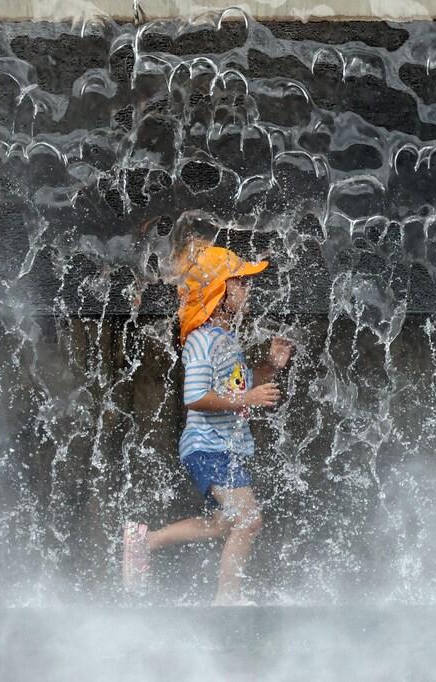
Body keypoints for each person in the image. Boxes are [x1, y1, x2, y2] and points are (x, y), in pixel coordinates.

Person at [121, 240, 294, 605]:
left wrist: (271, 368)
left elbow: (240, 385)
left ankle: (145, 541)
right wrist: (247, 399)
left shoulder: (226, 339)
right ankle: (226, 600)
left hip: (223, 447)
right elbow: (194, 396)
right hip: (207, 445)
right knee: (249, 519)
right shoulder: (201, 341)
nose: (247, 290)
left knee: (224, 524)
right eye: (240, 283)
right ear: (219, 289)